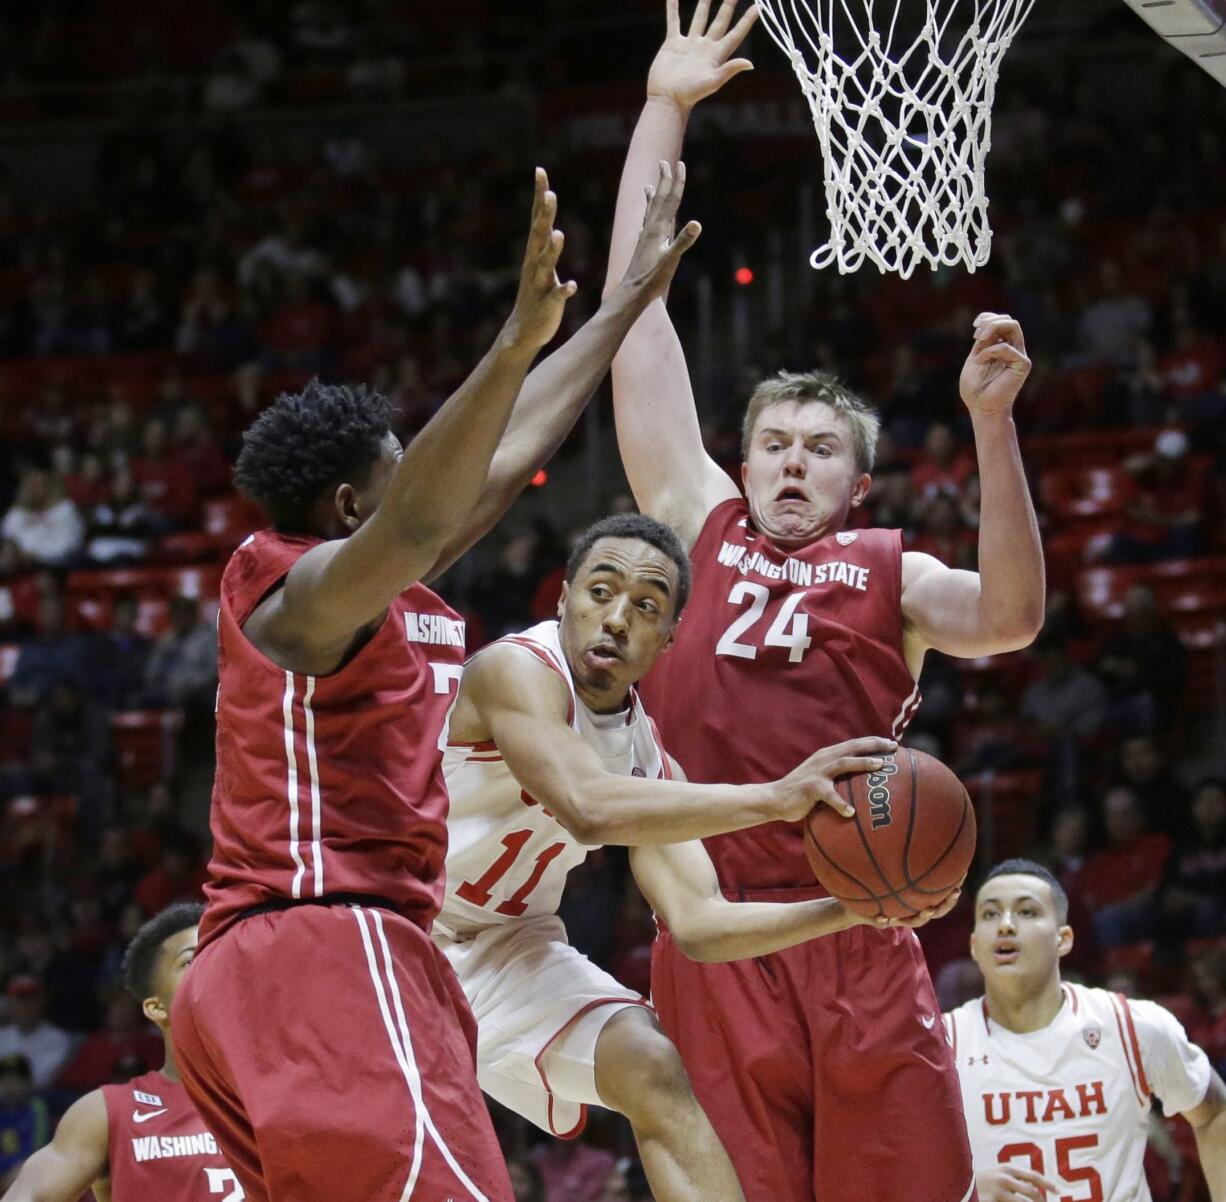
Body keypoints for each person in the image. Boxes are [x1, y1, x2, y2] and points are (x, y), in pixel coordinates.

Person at [170, 167, 702, 1202]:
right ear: (345, 502)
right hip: (329, 937)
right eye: (398, 463)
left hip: (280, 967)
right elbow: (418, 514)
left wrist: (619, 306)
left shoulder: (385, 593)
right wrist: (511, 341)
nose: (426, 475)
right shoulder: (293, 593)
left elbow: (500, 464)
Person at [601, 5, 1046, 1200]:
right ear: (739, 463)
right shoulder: (692, 516)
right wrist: (662, 107)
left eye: (818, 449)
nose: (791, 462)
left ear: (858, 480)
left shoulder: (892, 569)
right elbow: (633, 316)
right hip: (713, 927)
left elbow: (1008, 617)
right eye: (773, 443)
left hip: (855, 913)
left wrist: (991, 427)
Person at [439, 513, 952, 1201]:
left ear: (671, 636)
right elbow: (585, 806)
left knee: (651, 1065)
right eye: (600, 592)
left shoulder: (649, 754)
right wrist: (772, 798)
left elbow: (702, 925)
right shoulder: (516, 670)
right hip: (399, 930)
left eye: (646, 606)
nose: (617, 618)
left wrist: (858, 909)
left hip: (507, 947)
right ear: (561, 598)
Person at [946, 859, 1226, 1202]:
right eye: (990, 914)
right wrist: (959, 1190)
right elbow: (891, 1164)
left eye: (1027, 912)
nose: (1005, 925)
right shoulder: (942, 1046)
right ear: (974, 945)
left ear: (1063, 939)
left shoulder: (1132, 1025)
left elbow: (1214, 1112)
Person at [2, 904, 240, 1201]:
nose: (214, 966)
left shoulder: (294, 1096)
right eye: (192, 959)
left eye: (224, 954)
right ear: (157, 1007)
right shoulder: (106, 1114)